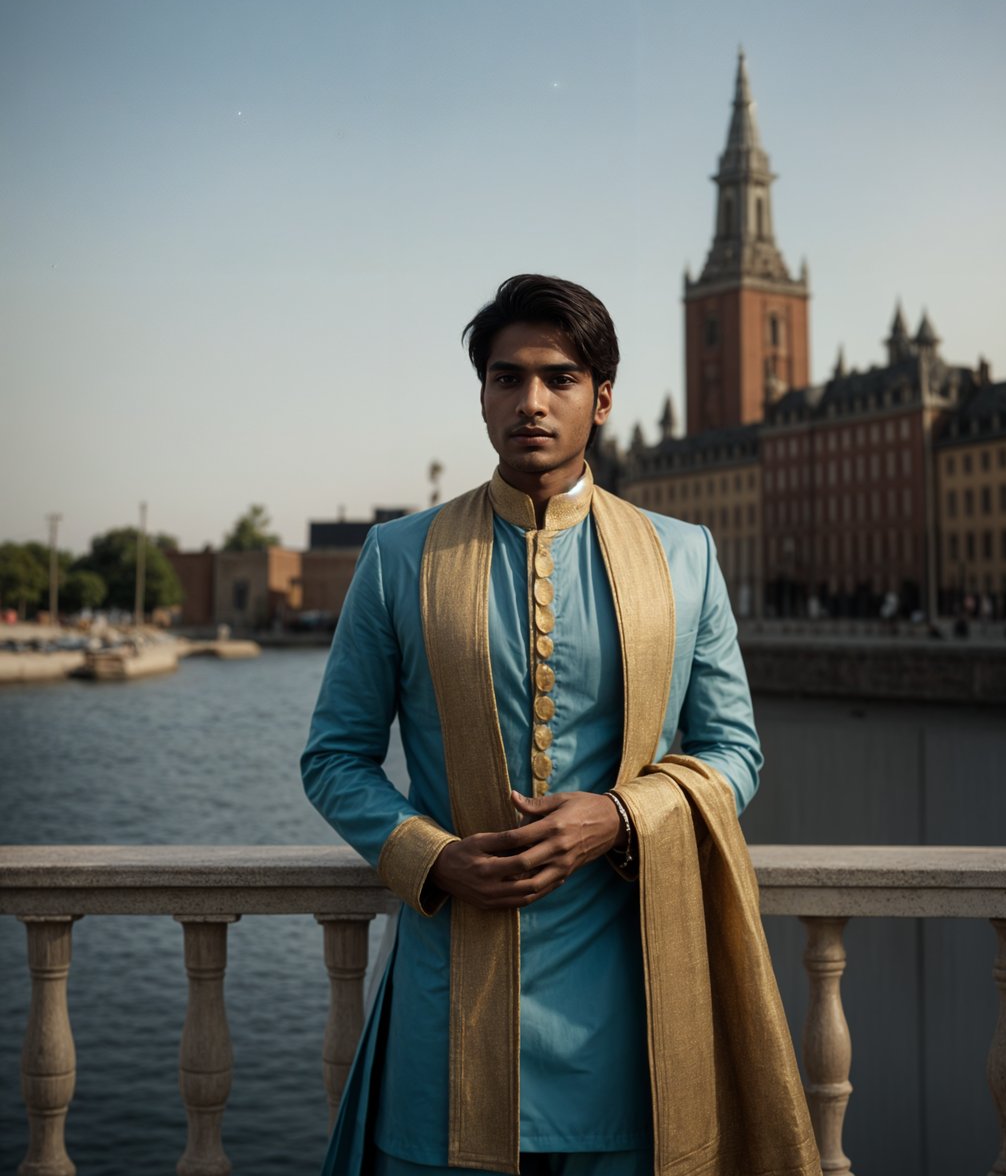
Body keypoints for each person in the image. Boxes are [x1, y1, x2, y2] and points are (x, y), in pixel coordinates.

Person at [301, 274, 819, 1176]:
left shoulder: (683, 556)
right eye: (507, 379)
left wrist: (619, 817)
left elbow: (736, 752)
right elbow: (334, 758)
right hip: (448, 999)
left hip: (629, 1009)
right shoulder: (398, 557)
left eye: (559, 378)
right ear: (483, 396)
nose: (530, 402)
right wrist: (429, 854)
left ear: (603, 399)